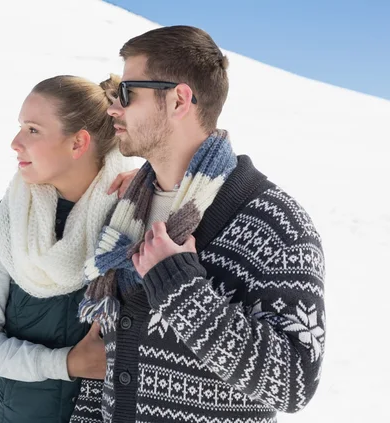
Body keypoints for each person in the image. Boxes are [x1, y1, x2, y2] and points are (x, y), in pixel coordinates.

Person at [71, 26, 325, 423]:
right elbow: (104, 362)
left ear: (178, 100)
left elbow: (295, 382)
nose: (112, 108)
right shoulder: (125, 213)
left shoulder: (276, 223)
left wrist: (181, 288)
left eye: (126, 92)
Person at [0, 74, 138, 423]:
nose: (15, 142)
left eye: (33, 130)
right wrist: (66, 364)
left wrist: (160, 189)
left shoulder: (132, 217)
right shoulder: (6, 223)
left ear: (77, 143)